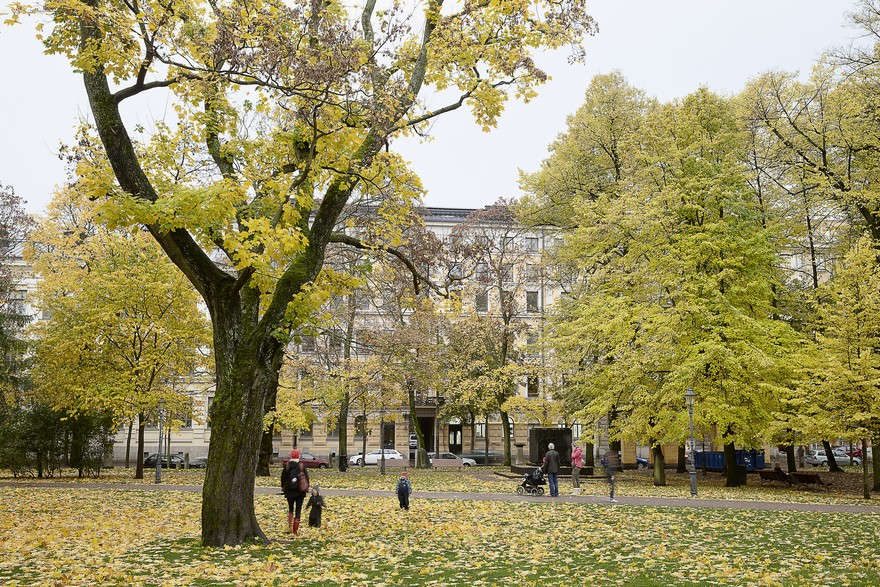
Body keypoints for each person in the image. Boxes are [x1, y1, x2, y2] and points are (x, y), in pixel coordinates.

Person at [281, 449, 310, 535]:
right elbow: (307, 478)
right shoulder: (301, 466)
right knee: (298, 510)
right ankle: (295, 530)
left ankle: (289, 526)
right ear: (298, 456)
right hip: (300, 492)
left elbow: (283, 478)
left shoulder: (286, 466)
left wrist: (283, 487)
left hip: (289, 491)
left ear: (291, 456)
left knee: (290, 508)